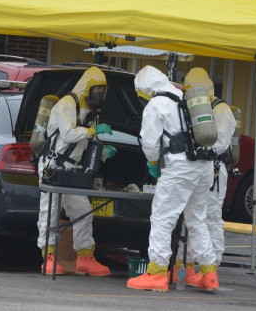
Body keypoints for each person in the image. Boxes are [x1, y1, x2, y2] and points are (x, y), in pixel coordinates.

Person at [127, 65, 219, 292]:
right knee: (197, 220)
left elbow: (150, 144)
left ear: (146, 89)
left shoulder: (156, 104)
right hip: (203, 165)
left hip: (180, 168)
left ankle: (157, 273)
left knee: (162, 218)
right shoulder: (183, 95)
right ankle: (209, 274)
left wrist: (153, 164)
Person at [36, 66, 114, 276]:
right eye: (97, 91)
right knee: (49, 213)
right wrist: (92, 131)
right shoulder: (66, 104)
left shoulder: (90, 111)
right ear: (86, 88)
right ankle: (48, 257)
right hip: (52, 167)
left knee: (83, 213)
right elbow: (70, 134)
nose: (99, 95)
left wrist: (103, 151)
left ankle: (85, 258)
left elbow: (85, 142)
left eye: (102, 92)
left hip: (72, 170)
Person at [173, 67, 237, 287]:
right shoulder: (195, 106)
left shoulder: (221, 110)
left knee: (210, 218)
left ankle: (212, 267)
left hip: (214, 171)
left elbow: (219, 145)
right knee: (190, 218)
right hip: (197, 169)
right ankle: (187, 265)